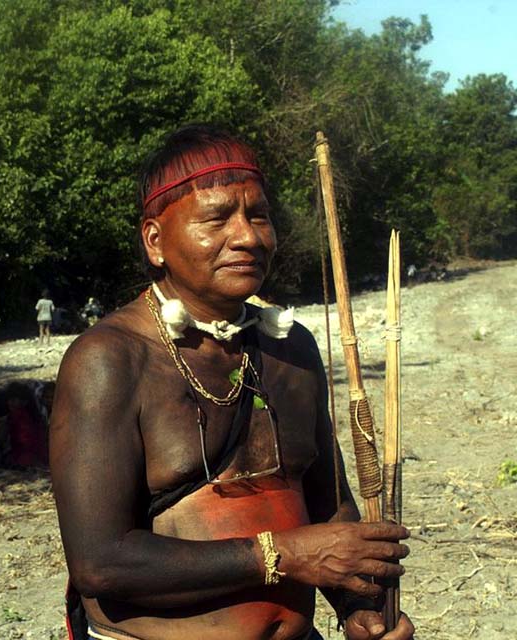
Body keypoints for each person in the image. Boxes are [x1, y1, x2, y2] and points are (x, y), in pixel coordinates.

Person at [50, 125, 414, 640]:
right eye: (217, 218)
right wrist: (281, 554)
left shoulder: (291, 348)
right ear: (155, 241)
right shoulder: (110, 360)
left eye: (258, 215)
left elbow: (328, 503)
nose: (248, 237)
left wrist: (358, 605)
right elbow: (101, 562)